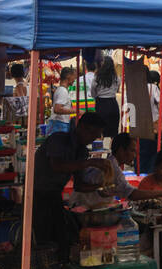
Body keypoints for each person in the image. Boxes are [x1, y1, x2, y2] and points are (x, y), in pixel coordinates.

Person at [32, 110, 107, 257]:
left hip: (55, 196)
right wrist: (89, 163)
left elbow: (79, 185)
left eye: (97, 135)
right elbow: (57, 166)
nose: (94, 138)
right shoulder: (58, 140)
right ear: (82, 127)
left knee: (62, 240)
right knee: (41, 241)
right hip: (36, 195)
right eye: (92, 133)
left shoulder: (82, 151)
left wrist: (102, 187)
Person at [91, 55, 121, 142]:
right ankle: (113, 150)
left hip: (101, 105)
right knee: (114, 133)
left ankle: (98, 150)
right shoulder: (117, 78)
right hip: (113, 104)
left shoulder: (96, 78)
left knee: (99, 132)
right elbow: (117, 90)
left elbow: (93, 93)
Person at [48, 68, 75, 132]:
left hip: (60, 124)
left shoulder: (62, 90)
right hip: (59, 125)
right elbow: (57, 109)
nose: (74, 79)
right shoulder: (62, 91)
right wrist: (75, 111)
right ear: (68, 76)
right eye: (73, 76)